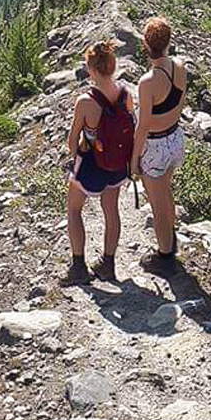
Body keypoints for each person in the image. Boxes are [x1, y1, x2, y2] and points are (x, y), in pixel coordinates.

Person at [63, 40, 134, 284]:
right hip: (116, 164)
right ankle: (108, 263)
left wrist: (73, 159)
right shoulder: (126, 96)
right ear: (112, 67)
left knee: (73, 208)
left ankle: (78, 267)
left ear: (92, 70)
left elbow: (73, 140)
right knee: (111, 210)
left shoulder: (85, 101)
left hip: (91, 163)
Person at [130, 17, 188, 277]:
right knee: (166, 191)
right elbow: (179, 102)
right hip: (175, 138)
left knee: (156, 203)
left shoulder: (148, 82)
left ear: (146, 44)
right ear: (168, 42)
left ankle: (164, 257)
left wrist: (134, 160)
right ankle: (170, 242)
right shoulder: (180, 67)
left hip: (154, 146)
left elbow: (142, 127)